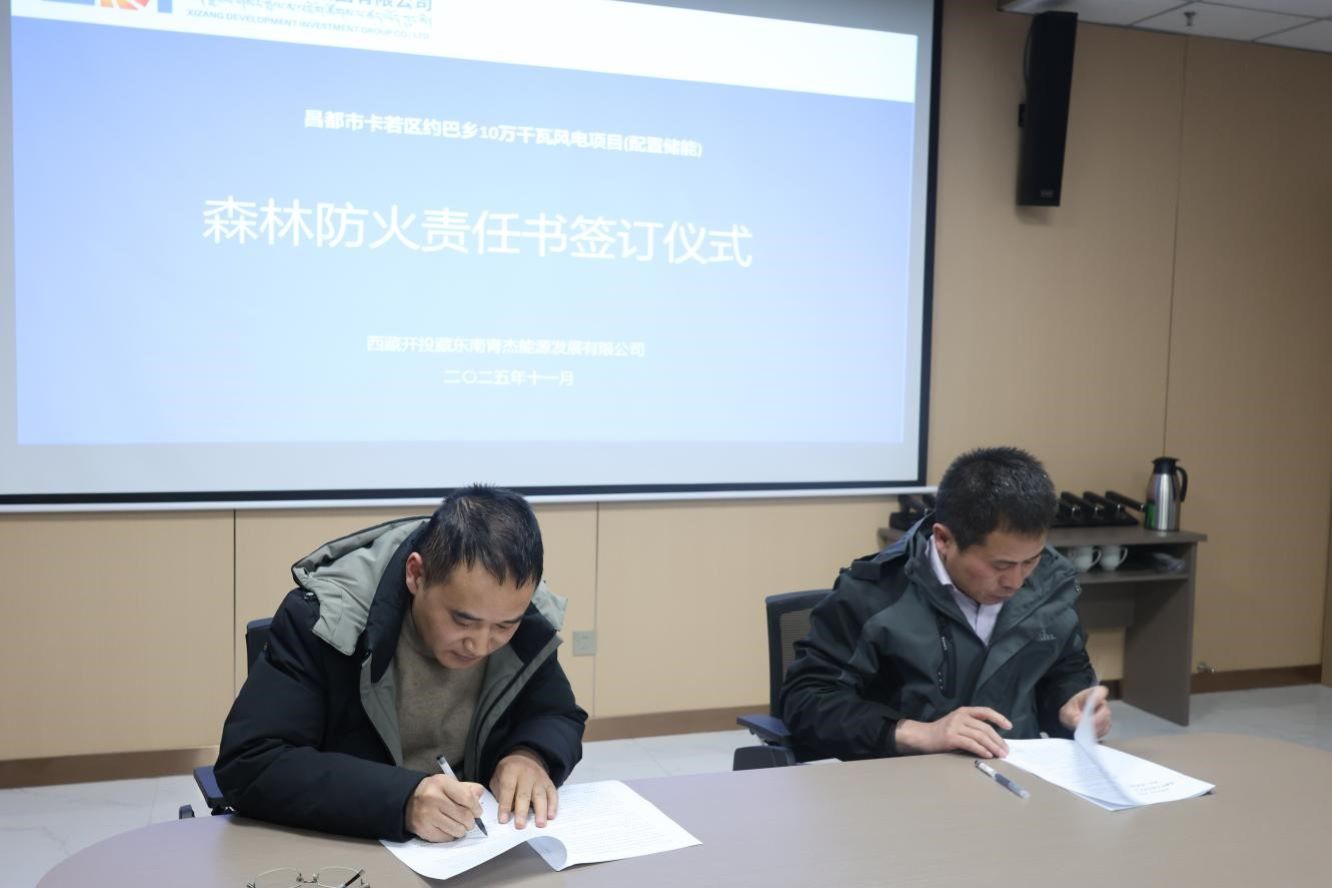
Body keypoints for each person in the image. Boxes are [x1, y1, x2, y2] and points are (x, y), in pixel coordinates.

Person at [214, 485, 587, 841]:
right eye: (463, 620)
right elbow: (251, 763)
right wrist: (404, 800)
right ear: (416, 574)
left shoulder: (526, 622)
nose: (480, 644)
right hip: (351, 844)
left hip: (472, 846)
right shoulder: (327, 619)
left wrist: (531, 755)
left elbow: (557, 714)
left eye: (504, 626)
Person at [781, 446, 1111, 762]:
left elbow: (1064, 672)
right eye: (1000, 565)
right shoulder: (875, 594)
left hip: (1016, 773)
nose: (1016, 581)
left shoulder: (1050, 585)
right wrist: (917, 733)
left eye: (1030, 561)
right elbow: (806, 701)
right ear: (943, 540)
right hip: (906, 778)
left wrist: (1071, 707)